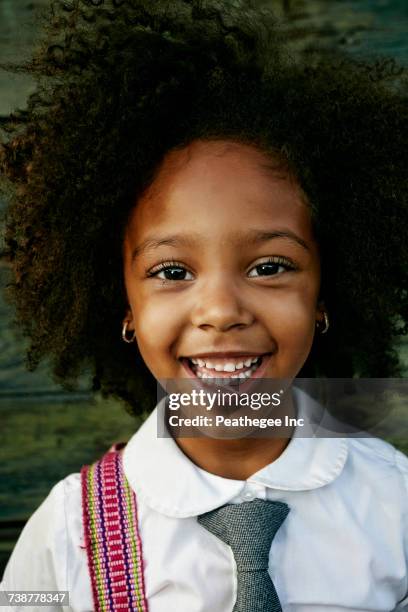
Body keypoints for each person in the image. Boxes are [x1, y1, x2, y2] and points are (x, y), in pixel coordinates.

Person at [1, 0, 408, 610]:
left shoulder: (396, 505)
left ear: (326, 293)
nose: (220, 309)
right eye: (172, 271)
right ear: (124, 307)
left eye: (270, 267)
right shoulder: (65, 538)